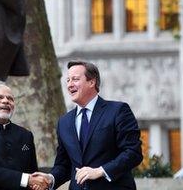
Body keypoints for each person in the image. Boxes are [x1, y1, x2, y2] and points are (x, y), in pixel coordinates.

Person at [33, 60, 143, 190]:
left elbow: (133, 152)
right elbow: (64, 165)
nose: (69, 85)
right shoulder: (64, 122)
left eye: (75, 79)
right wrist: (50, 179)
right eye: (67, 80)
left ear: (92, 82)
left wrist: (100, 171)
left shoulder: (118, 111)